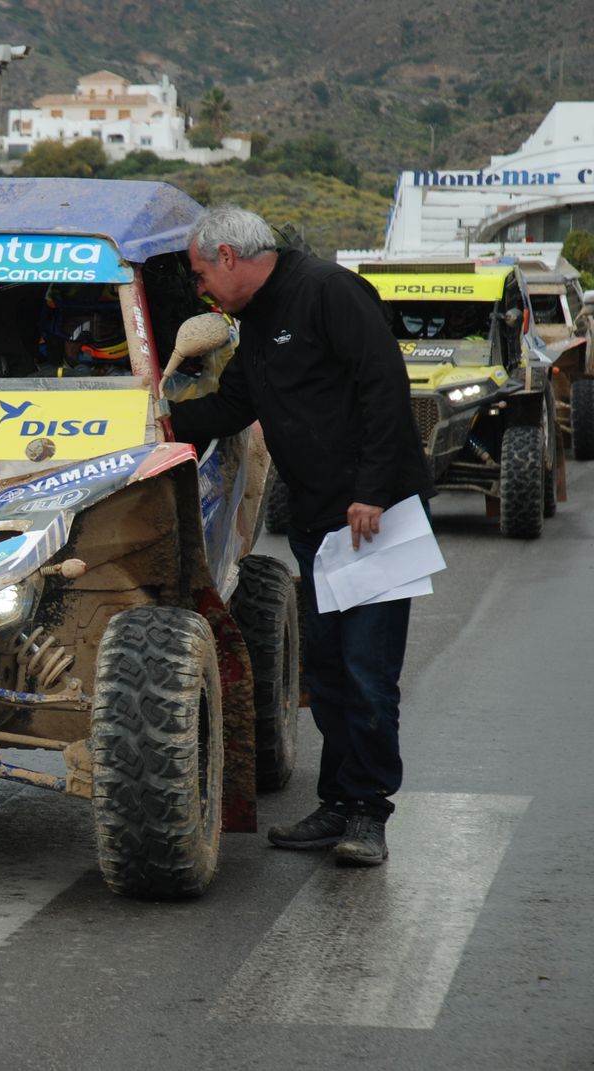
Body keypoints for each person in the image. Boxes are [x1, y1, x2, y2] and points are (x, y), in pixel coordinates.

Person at [168, 204, 433, 868]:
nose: (201, 289)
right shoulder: (253, 323)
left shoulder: (327, 290)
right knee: (328, 673)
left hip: (374, 517)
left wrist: (372, 489)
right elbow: (234, 406)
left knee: (369, 674)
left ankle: (369, 812)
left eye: (201, 273)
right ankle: (337, 804)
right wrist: (156, 421)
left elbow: (384, 384)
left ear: (227, 257)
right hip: (320, 524)